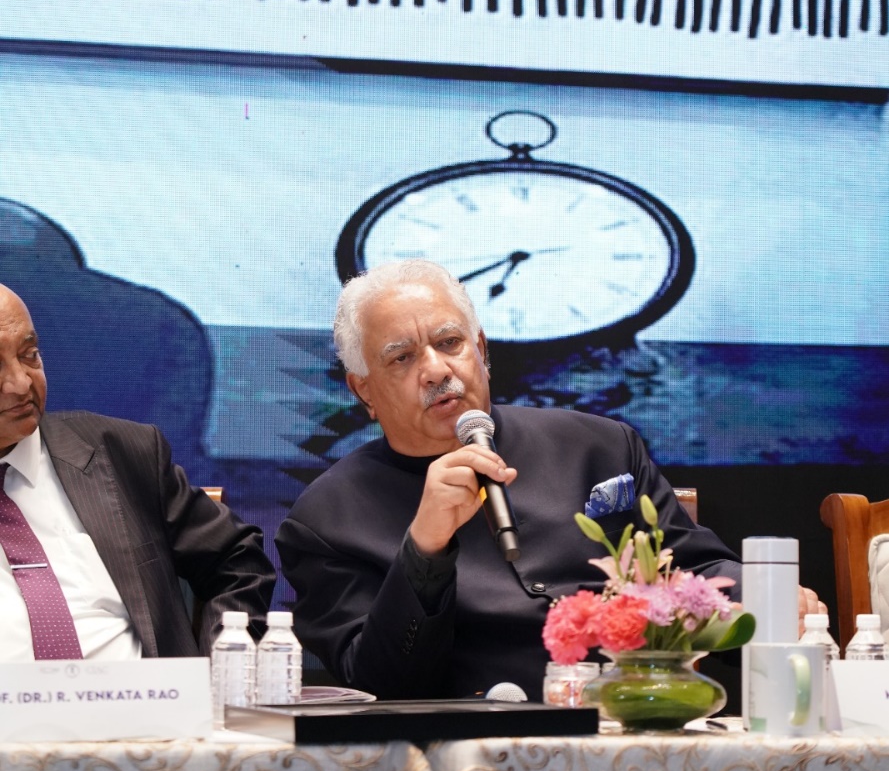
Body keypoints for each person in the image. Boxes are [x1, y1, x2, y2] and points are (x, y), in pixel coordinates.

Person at [277, 260, 823, 701]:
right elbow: (378, 683)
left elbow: (694, 570)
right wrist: (424, 548)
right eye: (401, 358)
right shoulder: (327, 520)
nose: (437, 370)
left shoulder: (599, 445)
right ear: (363, 390)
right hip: (460, 752)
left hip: (625, 721)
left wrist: (767, 598)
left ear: (481, 351)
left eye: (450, 343)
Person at [0, 283, 275, 660]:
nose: (21, 384)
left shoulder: (122, 454)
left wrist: (220, 672)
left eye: (29, 355)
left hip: (145, 694)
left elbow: (236, 559)